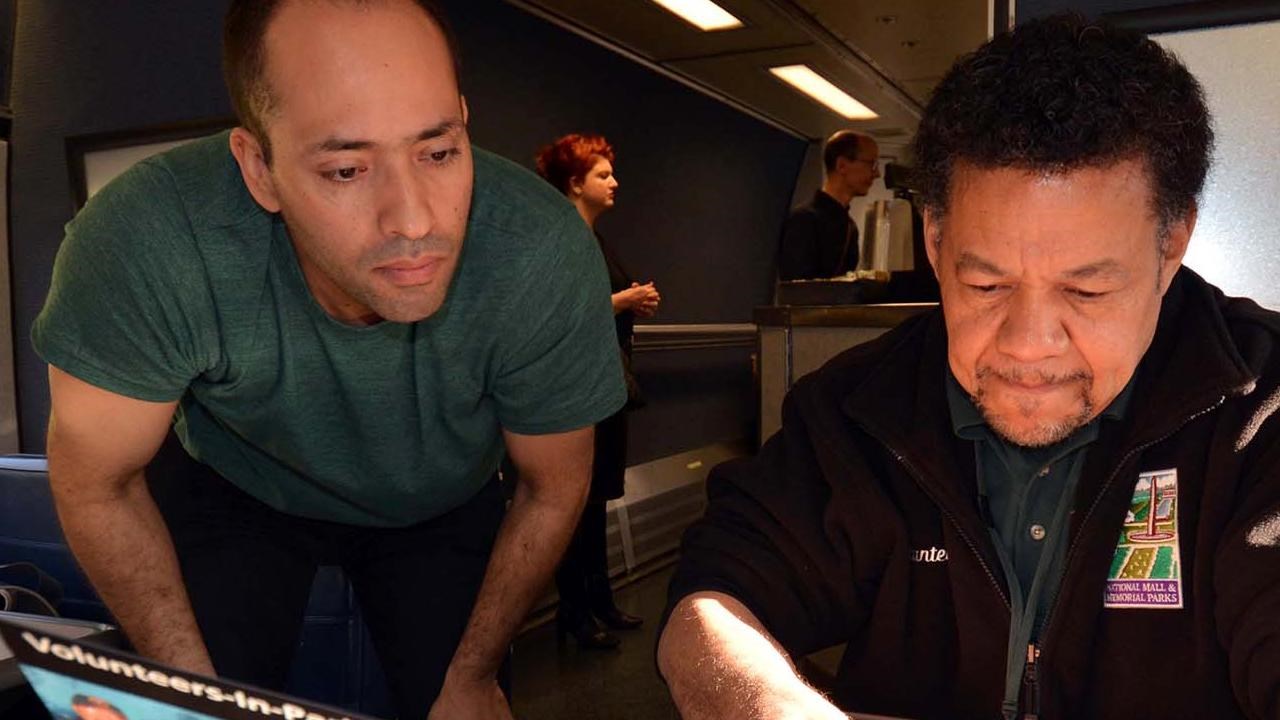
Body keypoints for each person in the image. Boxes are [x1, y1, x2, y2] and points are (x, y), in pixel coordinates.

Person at [659, 13, 1280, 720]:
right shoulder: (857, 406)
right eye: (986, 285)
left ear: (1172, 247)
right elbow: (713, 592)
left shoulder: (1264, 410)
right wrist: (767, 706)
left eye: (1087, 289)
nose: (1027, 345)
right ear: (934, 239)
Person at [32, 2, 626, 719]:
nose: (414, 221)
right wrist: (189, 699)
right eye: (346, 169)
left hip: (441, 499)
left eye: (438, 153)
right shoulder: (149, 242)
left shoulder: (540, 251)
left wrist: (470, 680)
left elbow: (551, 488)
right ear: (259, 169)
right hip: (237, 483)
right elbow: (100, 484)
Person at [534, 133, 659, 649]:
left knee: (599, 496)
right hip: (576, 386)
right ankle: (575, 612)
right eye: (602, 175)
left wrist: (631, 303)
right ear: (573, 183)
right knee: (576, 501)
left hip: (605, 382)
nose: (614, 182)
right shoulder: (558, 240)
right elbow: (556, 314)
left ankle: (599, 601)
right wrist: (622, 300)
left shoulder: (594, 237)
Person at [776, 131, 880, 281]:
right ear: (842, 165)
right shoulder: (803, 220)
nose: (877, 174)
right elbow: (796, 293)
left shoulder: (849, 226)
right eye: (872, 164)